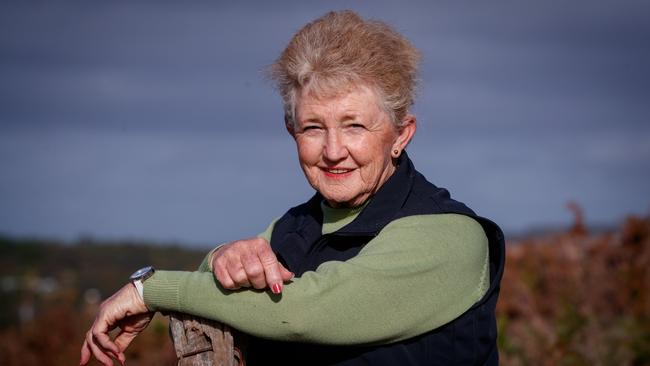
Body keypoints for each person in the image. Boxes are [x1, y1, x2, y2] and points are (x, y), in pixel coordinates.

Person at [80, 10, 505, 366]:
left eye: (354, 125)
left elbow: (304, 314)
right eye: (313, 128)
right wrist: (222, 257)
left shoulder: (449, 235)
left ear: (401, 134)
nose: (333, 151)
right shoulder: (294, 227)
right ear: (290, 130)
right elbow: (220, 284)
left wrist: (150, 290)